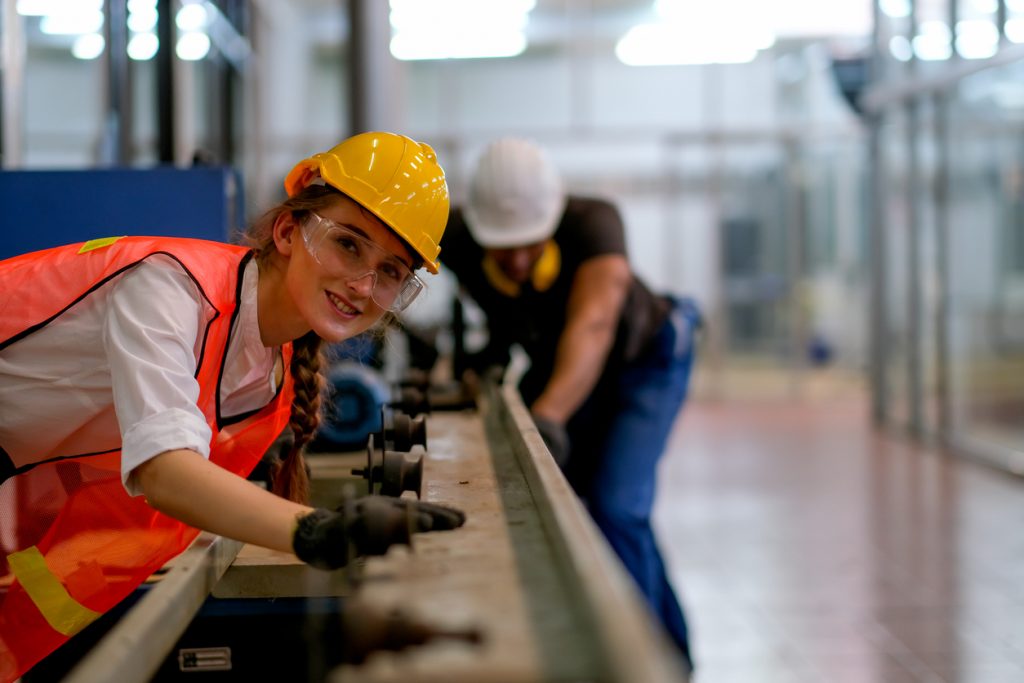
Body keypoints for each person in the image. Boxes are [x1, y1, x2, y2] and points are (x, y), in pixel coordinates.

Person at [0, 131, 464, 681]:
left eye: (390, 272)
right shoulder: (170, 288)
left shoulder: (267, 387)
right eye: (348, 243)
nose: (363, 284)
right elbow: (164, 472)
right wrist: (315, 530)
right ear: (290, 231)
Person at [440, 137, 700, 671]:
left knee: (615, 505)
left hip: (644, 359)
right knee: (588, 503)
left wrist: (550, 416)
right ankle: (674, 652)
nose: (514, 259)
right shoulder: (459, 238)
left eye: (529, 244)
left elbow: (593, 325)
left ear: (553, 218)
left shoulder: (594, 223)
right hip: (563, 361)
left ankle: (647, 666)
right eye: (500, 245)